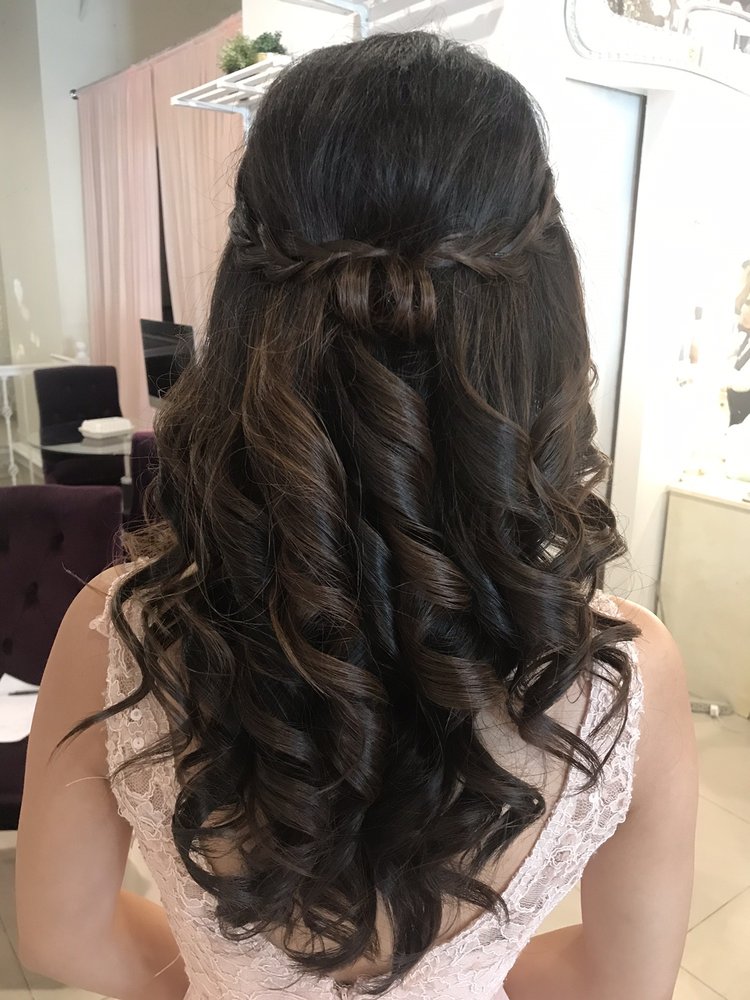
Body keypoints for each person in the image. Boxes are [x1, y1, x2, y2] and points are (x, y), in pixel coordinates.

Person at [15, 32, 697, 1000]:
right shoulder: (625, 677)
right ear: (542, 313)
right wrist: (469, 970)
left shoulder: (119, 630)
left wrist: (226, 970)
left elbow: (60, 935)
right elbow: (619, 983)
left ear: (245, 303)